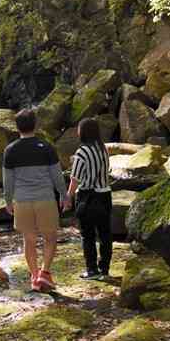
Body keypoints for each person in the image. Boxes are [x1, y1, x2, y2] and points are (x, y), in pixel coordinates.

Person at [3, 108, 68, 292]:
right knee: (50, 237)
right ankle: (45, 273)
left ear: (17, 127)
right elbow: (56, 175)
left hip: (22, 201)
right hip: (45, 199)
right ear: (35, 125)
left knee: (29, 240)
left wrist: (8, 201)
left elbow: (8, 181)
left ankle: (34, 276)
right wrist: (64, 195)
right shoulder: (46, 147)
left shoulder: (10, 150)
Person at [64, 117, 113, 279]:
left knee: (88, 235)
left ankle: (91, 270)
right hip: (105, 194)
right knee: (105, 234)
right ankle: (104, 269)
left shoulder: (82, 152)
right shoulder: (103, 149)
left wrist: (68, 197)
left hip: (88, 196)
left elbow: (75, 178)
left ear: (82, 132)